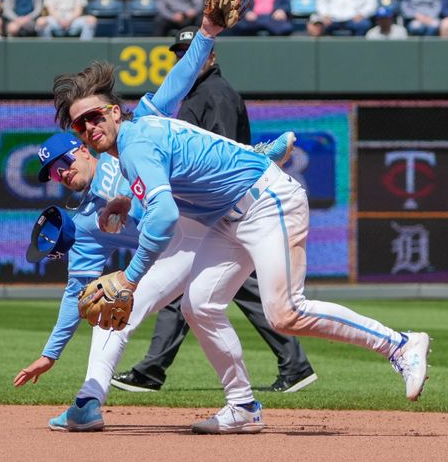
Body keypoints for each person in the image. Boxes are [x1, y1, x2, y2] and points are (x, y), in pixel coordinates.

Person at [65, 14, 431, 434]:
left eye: (95, 116)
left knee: (285, 312)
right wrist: (206, 33)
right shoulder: (144, 116)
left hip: (266, 201)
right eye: (81, 124)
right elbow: (182, 76)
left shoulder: (135, 144)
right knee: (198, 304)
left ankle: (400, 345)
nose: (90, 127)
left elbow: (164, 216)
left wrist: (130, 279)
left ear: (113, 112)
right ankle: (242, 406)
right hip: (226, 217)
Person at [13, 22, 297, 431]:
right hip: (178, 247)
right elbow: (75, 290)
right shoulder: (88, 223)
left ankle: (255, 157)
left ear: (81, 147)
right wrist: (50, 354)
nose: (60, 174)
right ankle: (88, 404)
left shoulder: (127, 139)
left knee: (185, 148)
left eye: (62, 163)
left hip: (206, 221)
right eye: (52, 175)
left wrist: (207, 32)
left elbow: (176, 84)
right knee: (109, 307)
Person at [112, 26, 315, 395]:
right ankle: (294, 364)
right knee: (211, 294)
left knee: (199, 292)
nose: (183, 57)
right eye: (179, 52)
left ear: (211, 56)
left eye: (191, 51)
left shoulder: (214, 93)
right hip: (216, 208)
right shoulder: (195, 93)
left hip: (223, 203)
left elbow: (219, 150)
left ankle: (152, 370)